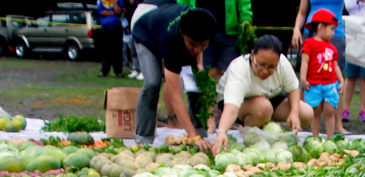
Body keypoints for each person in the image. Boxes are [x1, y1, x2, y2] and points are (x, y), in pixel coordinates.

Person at [132, 4, 216, 147]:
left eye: (203, 45)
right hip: (146, 33)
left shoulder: (206, 22)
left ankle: (200, 131)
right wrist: (194, 137)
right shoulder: (170, 40)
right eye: (192, 44)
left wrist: (199, 66)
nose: (197, 50)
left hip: (167, 27)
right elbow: (175, 98)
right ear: (183, 34)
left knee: (197, 82)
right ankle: (143, 138)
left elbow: (197, 49)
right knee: (153, 82)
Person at [213, 35, 310, 153]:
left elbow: (293, 88)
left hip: (268, 97)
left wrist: (294, 113)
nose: (265, 71)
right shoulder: (239, 69)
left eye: (271, 67)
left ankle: (273, 136)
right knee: (263, 108)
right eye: (261, 64)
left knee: (306, 113)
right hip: (237, 103)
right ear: (252, 54)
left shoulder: (282, 63)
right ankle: (250, 143)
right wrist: (222, 131)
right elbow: (231, 108)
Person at [292, 0, 347, 132]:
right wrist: (296, 29)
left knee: (333, 80)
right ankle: (301, 120)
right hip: (311, 31)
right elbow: (302, 11)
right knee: (307, 78)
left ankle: (338, 125)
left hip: (336, 32)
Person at [179, 0, 252, 80]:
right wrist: (182, 20)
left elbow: (244, 2)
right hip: (201, 31)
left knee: (228, 71)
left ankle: (226, 91)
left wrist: (246, 20)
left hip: (228, 31)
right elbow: (182, 3)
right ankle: (212, 91)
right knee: (209, 70)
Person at [301, 9, 342, 137]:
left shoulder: (332, 47)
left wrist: (341, 80)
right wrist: (303, 78)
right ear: (320, 26)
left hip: (330, 83)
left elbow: (335, 65)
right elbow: (305, 62)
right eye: (332, 29)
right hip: (313, 83)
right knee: (315, 111)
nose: (333, 33)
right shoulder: (309, 43)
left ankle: (330, 137)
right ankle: (315, 137)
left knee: (329, 111)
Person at [98, 0, 126, 78]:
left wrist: (114, 3)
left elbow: (119, 11)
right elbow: (101, 12)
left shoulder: (118, 0)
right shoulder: (101, 1)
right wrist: (113, 13)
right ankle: (105, 70)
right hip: (105, 28)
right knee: (106, 50)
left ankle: (118, 71)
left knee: (117, 50)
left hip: (116, 28)